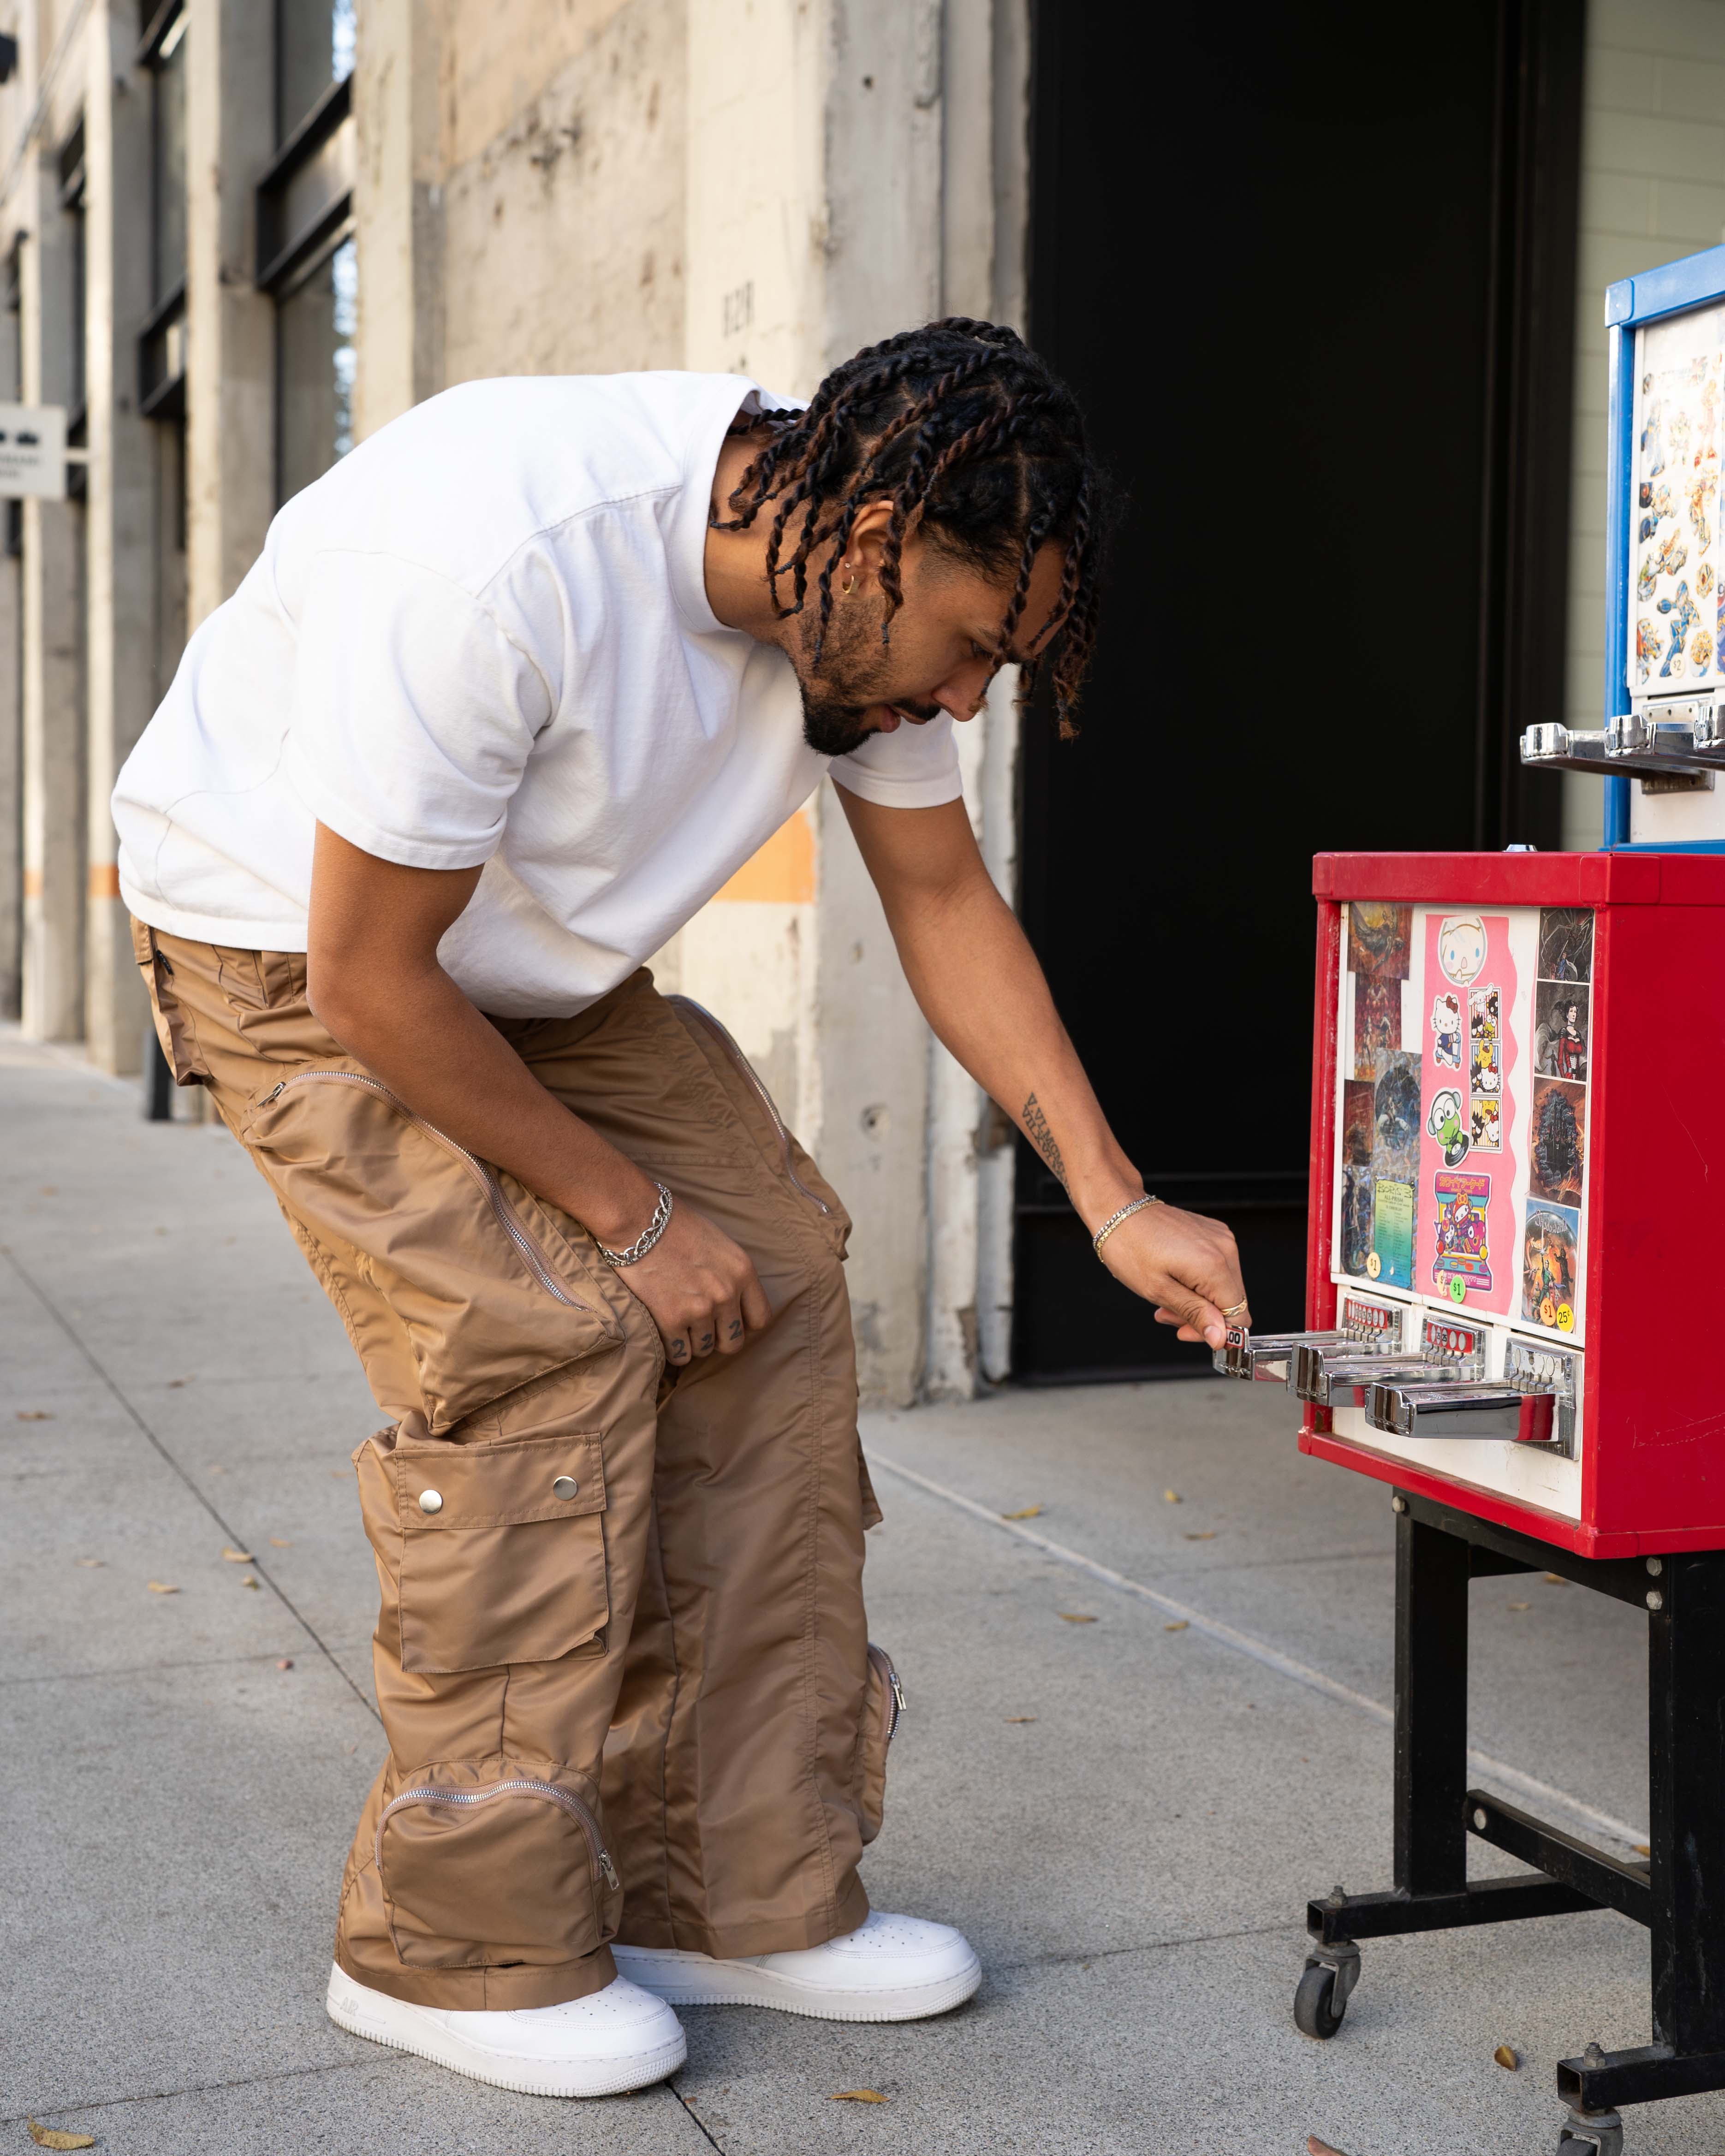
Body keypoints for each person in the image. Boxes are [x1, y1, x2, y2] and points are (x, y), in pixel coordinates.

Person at [112, 319, 1249, 2099]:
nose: (965, 703)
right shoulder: (499, 555)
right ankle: (452, 1950)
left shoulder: (856, 615)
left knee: (780, 1276)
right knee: (547, 1340)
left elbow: (945, 902)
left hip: (526, 972)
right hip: (289, 948)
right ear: (871, 546)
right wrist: (631, 1220)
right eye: (971, 653)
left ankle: (729, 1889)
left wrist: (1109, 1203)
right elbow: (367, 978)